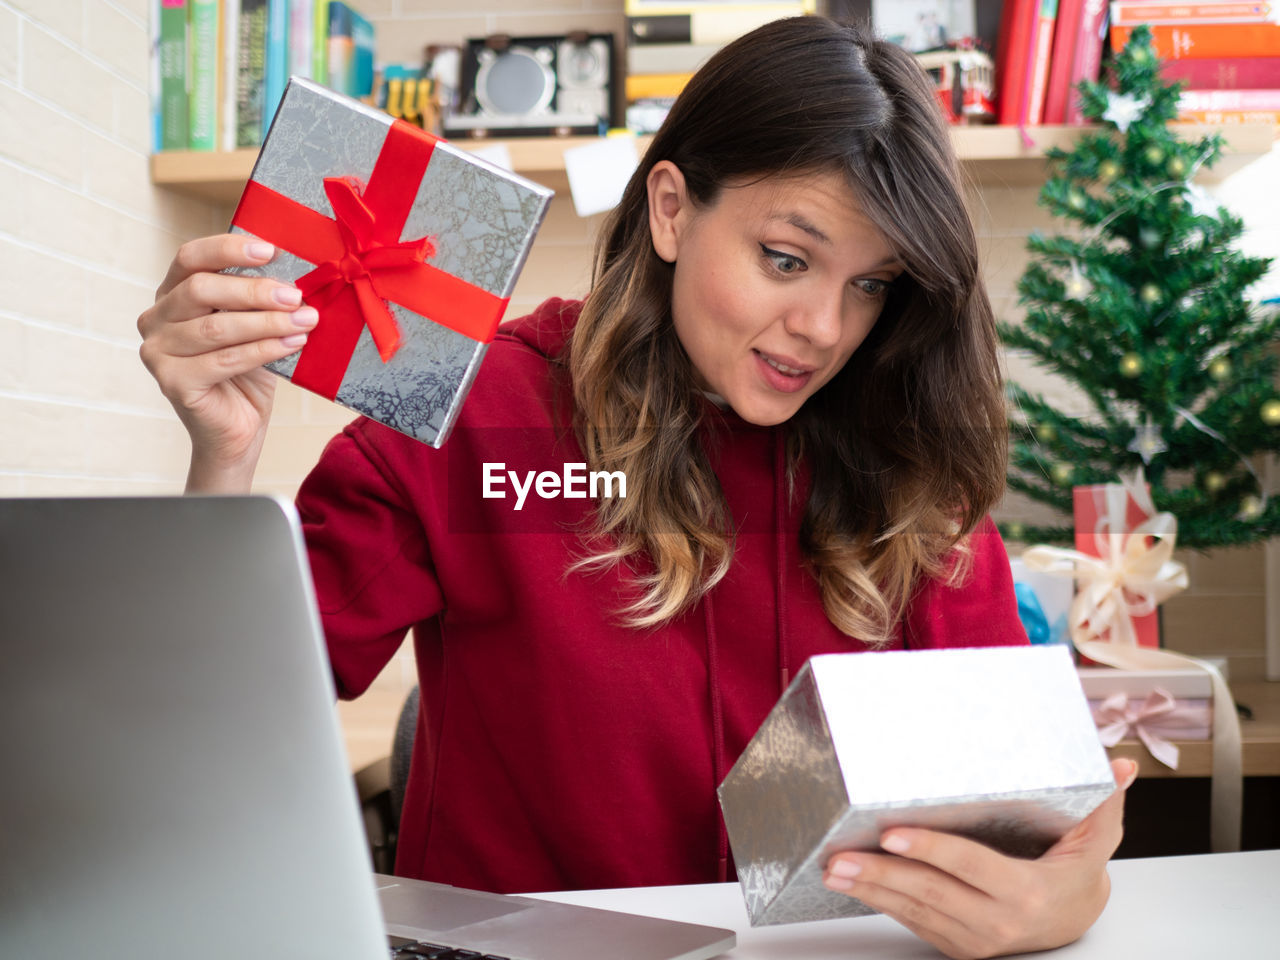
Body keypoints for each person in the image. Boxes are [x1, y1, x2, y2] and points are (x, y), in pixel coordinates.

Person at [138, 16, 1135, 960]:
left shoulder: (901, 455)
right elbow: (201, 739)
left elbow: (1027, 807)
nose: (824, 327)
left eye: (871, 284)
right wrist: (223, 458)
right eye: (784, 259)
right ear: (668, 209)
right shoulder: (478, 417)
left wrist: (1067, 891)